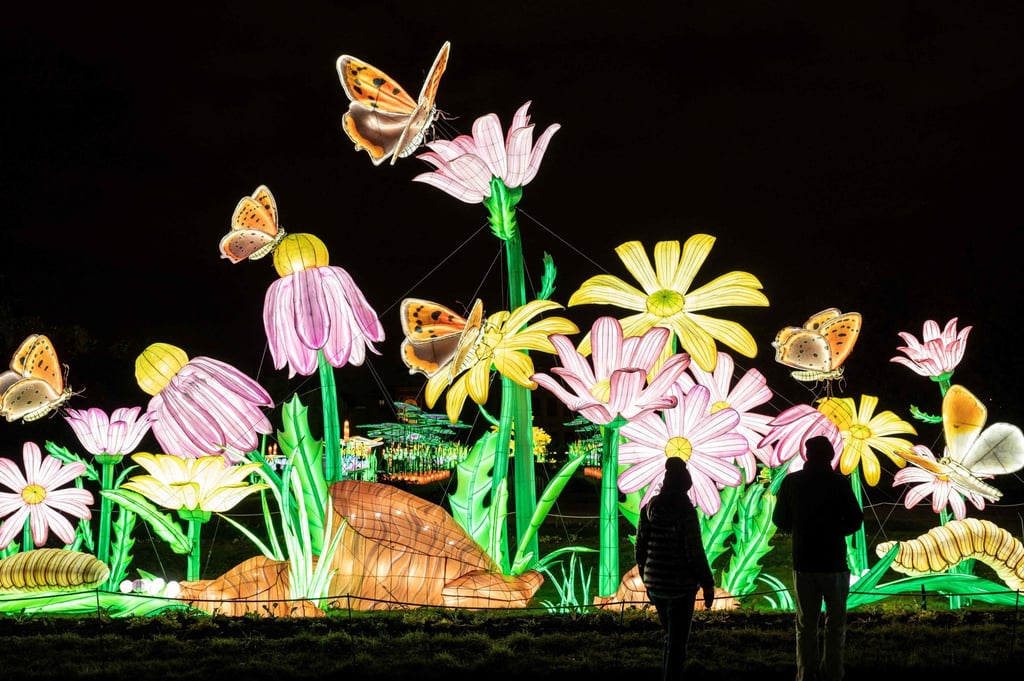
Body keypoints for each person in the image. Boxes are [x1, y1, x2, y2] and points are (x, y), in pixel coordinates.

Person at [772, 435, 864, 681]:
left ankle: (805, 672)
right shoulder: (839, 484)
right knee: (835, 624)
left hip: (804, 561)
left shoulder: (792, 482)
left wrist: (800, 530)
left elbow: (779, 519)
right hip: (834, 562)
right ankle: (833, 672)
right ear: (831, 456)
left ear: (807, 455)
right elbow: (856, 519)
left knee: (805, 624)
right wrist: (835, 530)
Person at [635, 456, 715, 680]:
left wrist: (647, 577)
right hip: (680, 586)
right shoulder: (686, 513)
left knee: (671, 637)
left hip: (656, 584)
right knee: (678, 643)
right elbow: (694, 552)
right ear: (686, 485)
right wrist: (708, 584)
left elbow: (640, 547)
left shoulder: (649, 508)